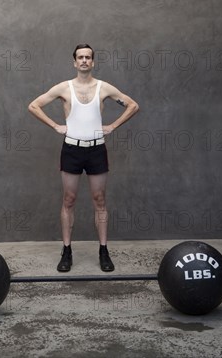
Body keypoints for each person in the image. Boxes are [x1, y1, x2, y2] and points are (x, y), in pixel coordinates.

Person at [28, 44, 139, 272]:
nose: (85, 60)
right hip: (72, 150)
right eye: (81, 57)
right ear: (74, 62)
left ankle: (103, 251)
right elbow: (34, 105)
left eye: (88, 57)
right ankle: (67, 251)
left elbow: (132, 105)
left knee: (99, 200)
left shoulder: (104, 88)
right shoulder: (64, 88)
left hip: (97, 150)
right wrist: (56, 126)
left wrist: (113, 126)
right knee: (69, 200)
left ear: (93, 62)